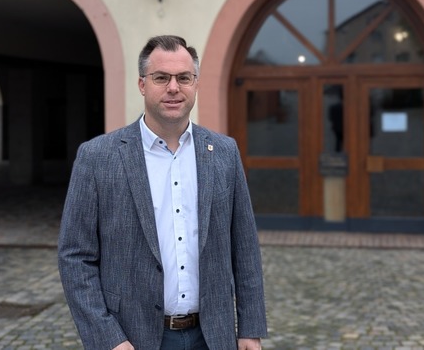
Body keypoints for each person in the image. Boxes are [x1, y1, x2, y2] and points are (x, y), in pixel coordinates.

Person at [58, 35, 267, 350]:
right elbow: (75, 256)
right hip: (132, 338)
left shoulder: (224, 151)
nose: (173, 88)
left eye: (184, 78)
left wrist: (249, 328)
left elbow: (245, 247)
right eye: (161, 78)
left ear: (195, 84)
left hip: (212, 336)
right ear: (142, 85)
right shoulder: (97, 156)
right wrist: (108, 338)